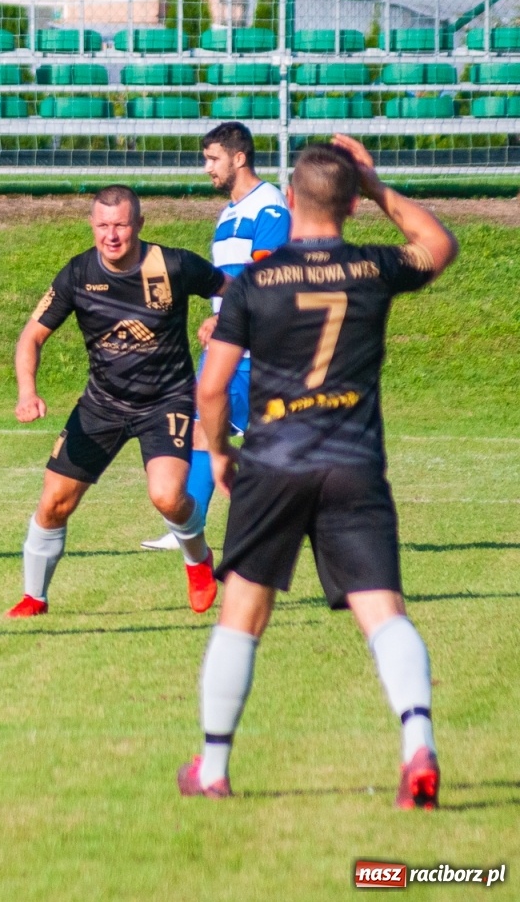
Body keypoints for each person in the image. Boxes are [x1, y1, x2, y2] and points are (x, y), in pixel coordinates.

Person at [177, 137, 458, 808]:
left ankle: (213, 768)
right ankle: (418, 742)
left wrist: (220, 451)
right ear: (353, 205)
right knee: (382, 611)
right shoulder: (372, 267)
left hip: (274, 461)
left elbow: (211, 387)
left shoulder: (254, 282)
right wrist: (377, 184)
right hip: (353, 463)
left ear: (291, 199)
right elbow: (438, 245)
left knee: (242, 613)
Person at [8, 185, 228, 618]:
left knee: (167, 496)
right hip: (102, 404)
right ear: (92, 226)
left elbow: (236, 289)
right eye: (103, 226)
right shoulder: (77, 274)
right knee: (54, 503)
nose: (111, 235)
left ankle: (198, 559)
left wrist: (222, 316)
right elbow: (31, 336)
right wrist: (27, 392)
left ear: (139, 224)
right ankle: (34, 597)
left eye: (121, 225)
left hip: (166, 401)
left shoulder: (174, 265)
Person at [142, 122, 290, 552]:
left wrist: (224, 320)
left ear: (238, 158)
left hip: (253, 344)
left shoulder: (269, 208)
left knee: (209, 428)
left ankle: (192, 528)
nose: (206, 167)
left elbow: (265, 278)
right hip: (232, 341)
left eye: (213, 159)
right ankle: (194, 526)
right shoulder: (229, 214)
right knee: (205, 427)